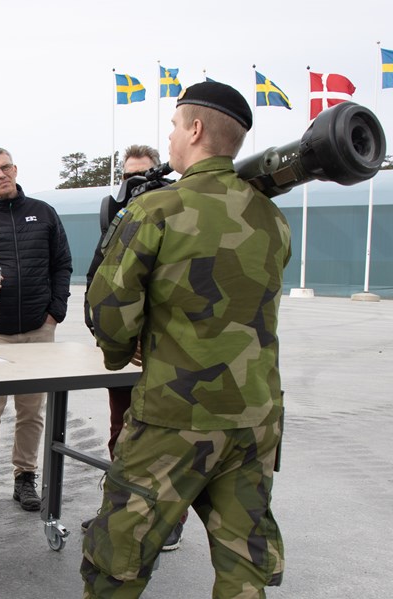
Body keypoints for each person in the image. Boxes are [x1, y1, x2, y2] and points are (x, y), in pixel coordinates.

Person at [82, 81, 289, 599]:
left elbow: (108, 309)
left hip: (175, 417)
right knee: (244, 565)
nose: (171, 137)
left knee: (119, 558)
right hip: (254, 417)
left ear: (195, 129)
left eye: (174, 126)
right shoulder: (272, 216)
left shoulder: (157, 210)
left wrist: (115, 354)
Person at [80, 144, 187, 550]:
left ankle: (167, 523)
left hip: (167, 357)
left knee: (166, 442)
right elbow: (97, 281)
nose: (139, 186)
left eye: (148, 177)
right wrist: (107, 336)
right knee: (119, 435)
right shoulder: (117, 221)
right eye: (130, 178)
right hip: (127, 356)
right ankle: (119, 511)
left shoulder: (179, 217)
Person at [0, 147, 72, 516]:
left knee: (31, 410)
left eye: (5, 167)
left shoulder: (43, 213)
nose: (1, 174)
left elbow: (62, 264)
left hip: (38, 331)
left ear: (15, 168)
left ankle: (25, 477)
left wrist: (55, 313)